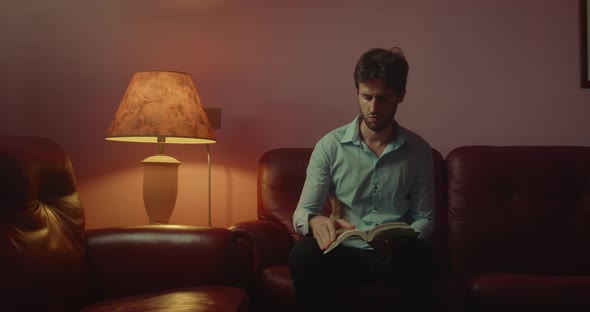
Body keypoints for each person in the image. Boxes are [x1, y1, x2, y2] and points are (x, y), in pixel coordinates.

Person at [288, 47, 437, 311]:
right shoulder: (330, 145)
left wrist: (405, 238)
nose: (373, 108)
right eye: (366, 97)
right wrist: (316, 221)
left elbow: (425, 217)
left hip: (394, 257)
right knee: (303, 254)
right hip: (343, 253)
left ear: (400, 96)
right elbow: (303, 212)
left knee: (422, 257)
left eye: (383, 98)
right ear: (357, 91)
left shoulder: (418, 151)